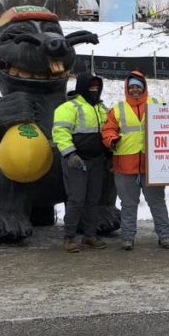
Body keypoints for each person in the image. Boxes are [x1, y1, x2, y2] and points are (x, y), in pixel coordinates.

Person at [101, 71, 169, 250]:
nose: (135, 90)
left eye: (138, 87)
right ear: (127, 88)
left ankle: (165, 235)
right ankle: (128, 237)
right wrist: (112, 139)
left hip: (153, 166)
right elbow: (107, 130)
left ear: (144, 88)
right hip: (125, 166)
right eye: (131, 87)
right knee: (128, 204)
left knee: (157, 202)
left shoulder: (157, 104)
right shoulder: (117, 109)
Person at [52, 72, 109, 253]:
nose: (94, 90)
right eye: (91, 87)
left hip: (97, 160)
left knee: (93, 199)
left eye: (97, 88)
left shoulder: (102, 108)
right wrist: (70, 154)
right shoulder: (68, 107)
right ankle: (69, 237)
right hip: (77, 160)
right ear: (82, 87)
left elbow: (109, 131)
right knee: (76, 199)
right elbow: (60, 132)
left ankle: (89, 235)